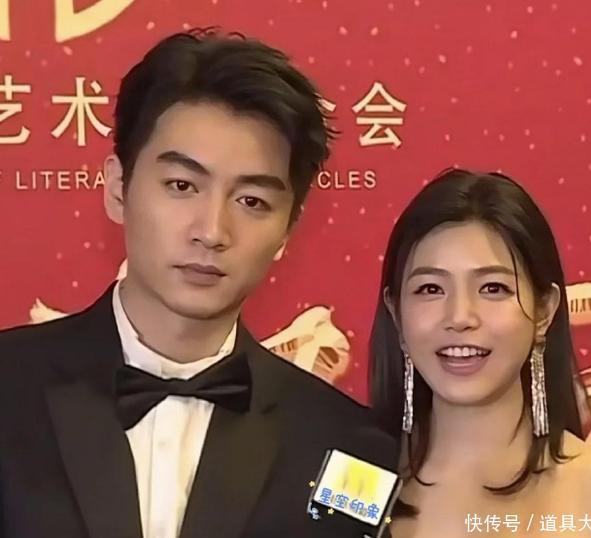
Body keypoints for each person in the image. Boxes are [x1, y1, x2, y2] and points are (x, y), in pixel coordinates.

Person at [0, 29, 397, 538]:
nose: (212, 231)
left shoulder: (352, 449)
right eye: (182, 185)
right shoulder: (11, 384)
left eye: (252, 201)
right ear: (118, 188)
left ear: (287, 230)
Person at [368, 168, 591, 537]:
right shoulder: (347, 479)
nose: (460, 317)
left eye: (493, 288)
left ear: (544, 311)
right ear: (396, 313)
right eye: (430, 289)